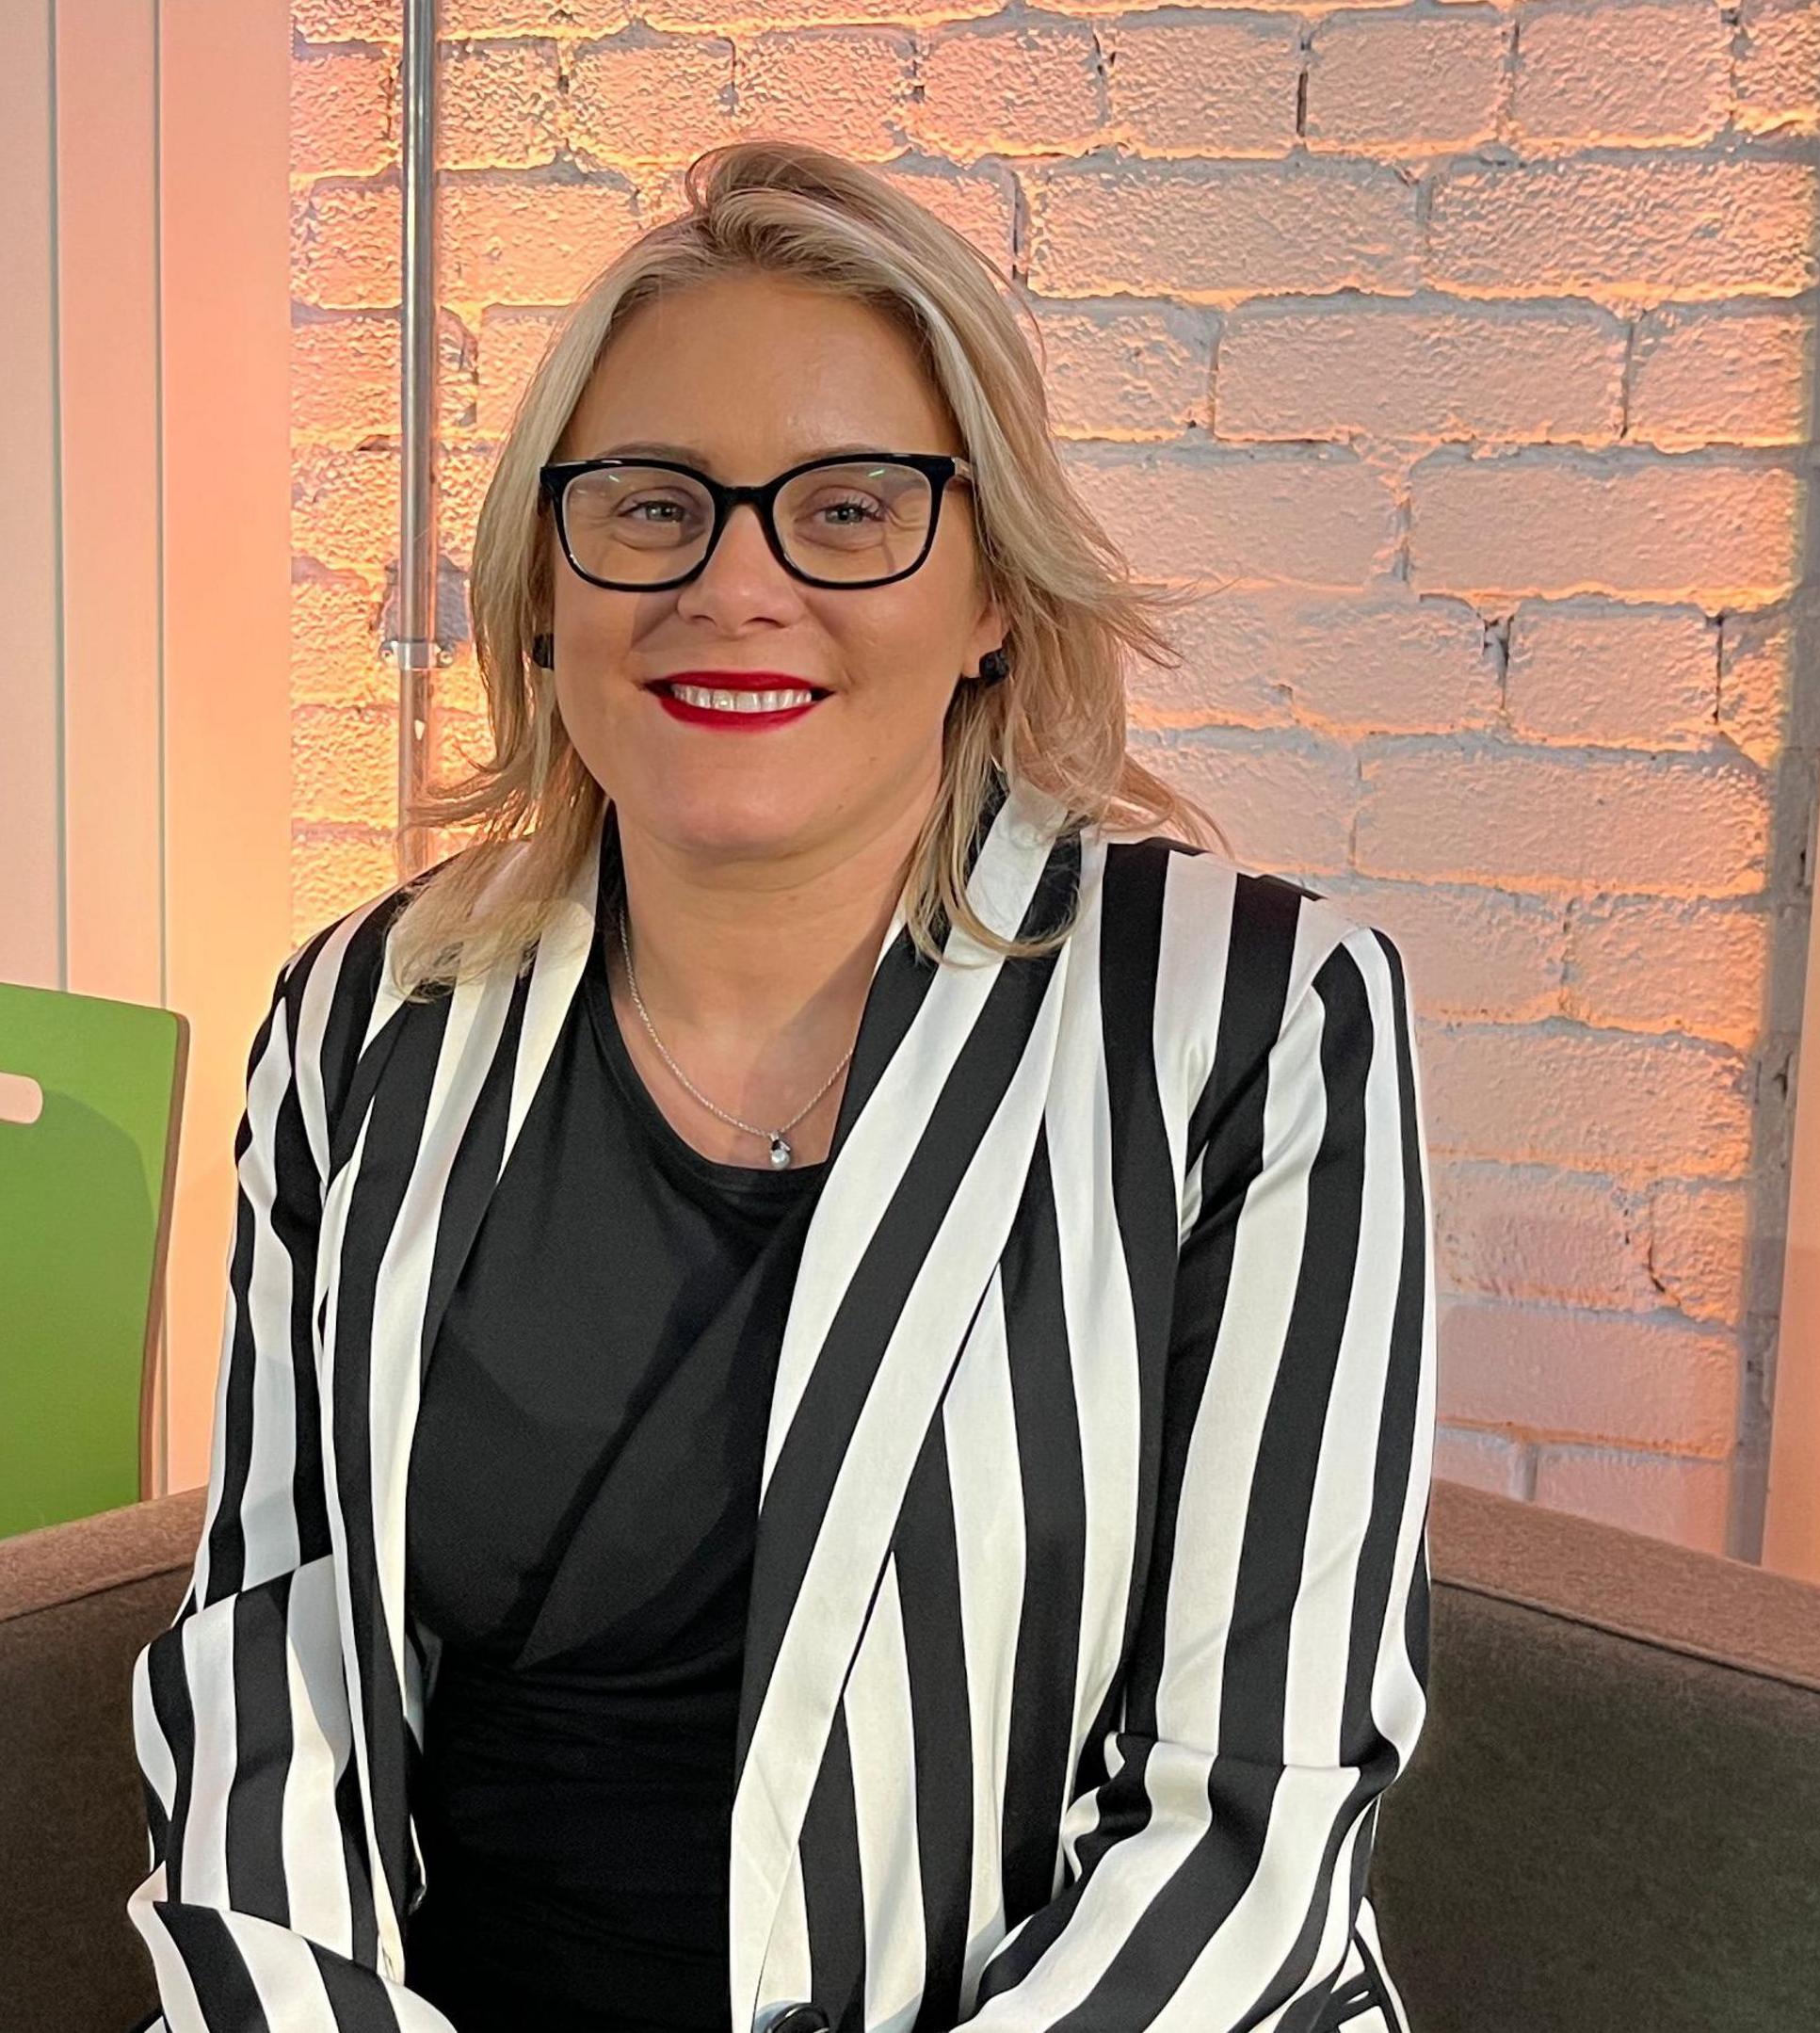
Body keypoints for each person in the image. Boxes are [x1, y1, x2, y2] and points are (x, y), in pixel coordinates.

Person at [127, 137, 1435, 2033]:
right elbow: (271, 1656)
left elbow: (1257, 1826)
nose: (735, 585)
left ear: (992, 589)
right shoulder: (366, 1018)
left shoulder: (1254, 1023)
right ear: (550, 579)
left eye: (847, 510)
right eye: (653, 508)